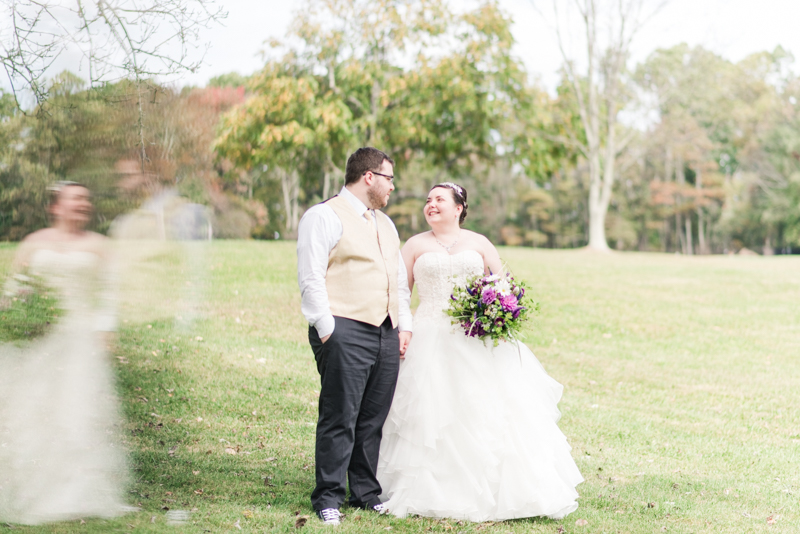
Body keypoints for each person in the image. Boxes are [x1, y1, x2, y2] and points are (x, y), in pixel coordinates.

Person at [376, 182, 583, 522]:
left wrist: (499, 312)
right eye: (428, 200)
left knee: (484, 409)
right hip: (427, 335)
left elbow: (505, 286)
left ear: (458, 207)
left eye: (439, 199)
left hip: (474, 336)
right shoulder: (413, 245)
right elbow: (400, 293)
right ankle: (424, 487)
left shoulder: (479, 243)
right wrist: (403, 327)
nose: (431, 205)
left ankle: (495, 491)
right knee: (430, 412)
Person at [296, 147, 413, 526]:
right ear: (368, 177)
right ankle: (328, 497)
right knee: (339, 416)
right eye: (389, 178)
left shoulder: (387, 224)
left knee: (371, 419)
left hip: (385, 331)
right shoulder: (323, 216)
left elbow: (397, 281)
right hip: (343, 328)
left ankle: (365, 493)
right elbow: (311, 277)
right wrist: (328, 329)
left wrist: (403, 324)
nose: (392, 186)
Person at [0, 182, 129, 525]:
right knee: (35, 413)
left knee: (77, 414)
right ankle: (35, 487)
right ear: (56, 207)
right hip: (41, 339)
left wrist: (105, 334)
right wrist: (16, 315)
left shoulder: (100, 247)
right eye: (75, 199)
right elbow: (14, 291)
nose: (83, 205)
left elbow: (109, 298)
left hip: (81, 340)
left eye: (87, 199)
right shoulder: (34, 243)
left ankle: (76, 491)